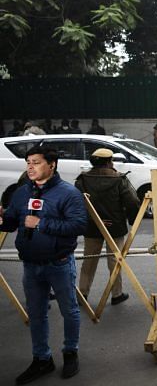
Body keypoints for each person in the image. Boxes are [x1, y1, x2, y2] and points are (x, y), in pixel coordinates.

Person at [0, 145, 87, 383]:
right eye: (28, 162)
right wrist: (2, 218)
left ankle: (70, 352)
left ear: (52, 164)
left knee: (69, 311)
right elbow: (12, 222)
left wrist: (40, 224)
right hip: (31, 265)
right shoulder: (20, 193)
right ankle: (42, 359)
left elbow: (79, 226)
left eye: (36, 162)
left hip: (59, 263)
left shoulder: (68, 193)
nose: (30, 167)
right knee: (36, 314)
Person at [75, 148, 140, 306]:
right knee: (114, 260)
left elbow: (76, 203)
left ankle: (83, 293)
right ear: (109, 161)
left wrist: (90, 219)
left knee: (89, 261)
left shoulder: (82, 179)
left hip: (91, 226)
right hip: (115, 226)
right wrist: (132, 220)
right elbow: (132, 202)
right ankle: (116, 294)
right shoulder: (119, 179)